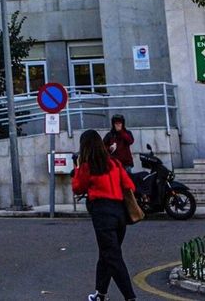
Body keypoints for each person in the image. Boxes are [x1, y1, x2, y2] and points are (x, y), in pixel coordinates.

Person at [71, 129, 138, 301]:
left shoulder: (87, 166)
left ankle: (130, 297)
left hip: (102, 213)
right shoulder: (115, 163)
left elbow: (77, 187)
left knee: (112, 257)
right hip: (120, 213)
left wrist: (77, 168)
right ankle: (101, 293)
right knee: (106, 254)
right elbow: (129, 184)